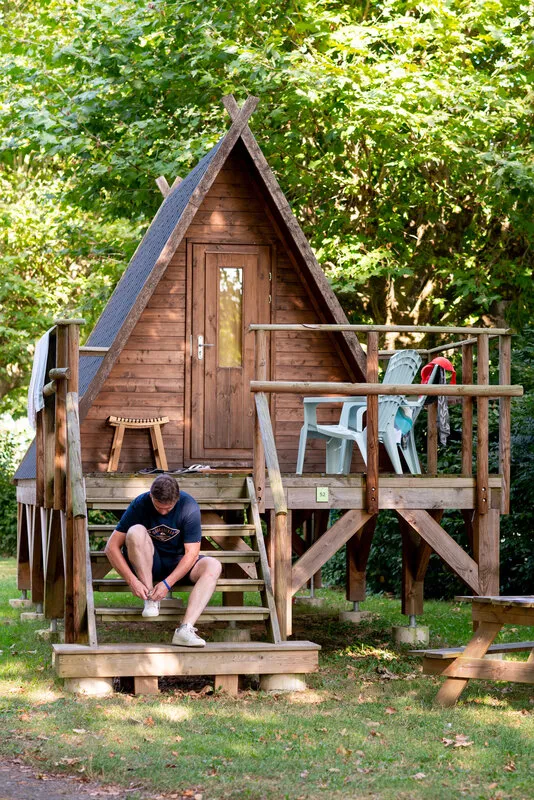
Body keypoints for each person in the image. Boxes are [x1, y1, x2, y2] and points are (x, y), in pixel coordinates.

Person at [104, 475, 222, 647]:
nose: (163, 512)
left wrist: (167, 584)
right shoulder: (140, 504)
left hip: (179, 563)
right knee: (135, 530)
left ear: (177, 498)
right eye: (159, 507)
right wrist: (133, 581)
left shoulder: (189, 506)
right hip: (149, 561)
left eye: (168, 508)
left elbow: (192, 554)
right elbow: (111, 547)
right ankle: (151, 599)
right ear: (151, 496)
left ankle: (185, 629)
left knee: (214, 565)